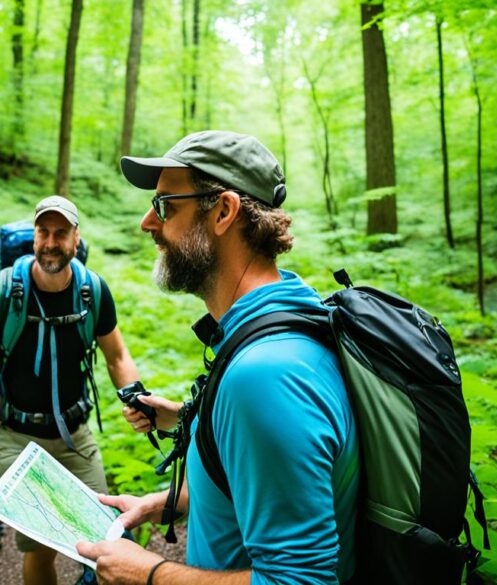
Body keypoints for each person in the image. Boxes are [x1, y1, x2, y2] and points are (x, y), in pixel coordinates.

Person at [76, 131, 360, 584]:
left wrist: (149, 574)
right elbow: (263, 481)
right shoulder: (286, 317)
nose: (148, 222)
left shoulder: (266, 376)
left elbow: (300, 581)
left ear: (224, 211)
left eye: (166, 204)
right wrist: (164, 503)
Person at [0, 196, 140, 585]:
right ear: (34, 236)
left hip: (75, 437)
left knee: (110, 537)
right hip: (14, 439)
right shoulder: (2, 292)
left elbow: (117, 355)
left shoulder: (93, 292)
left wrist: (137, 401)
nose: (51, 242)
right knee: (41, 547)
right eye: (43, 232)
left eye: (60, 233)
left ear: (76, 238)